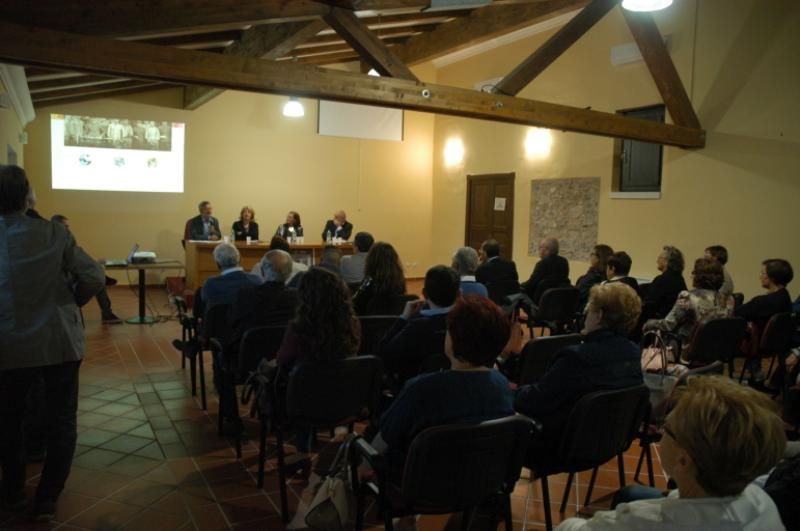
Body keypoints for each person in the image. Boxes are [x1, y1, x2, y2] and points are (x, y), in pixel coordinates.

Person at [0, 164, 105, 521]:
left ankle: (13, 490)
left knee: (9, 421)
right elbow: (93, 275)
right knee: (62, 420)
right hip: (58, 340)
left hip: (9, 344)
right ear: (25, 195)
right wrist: (73, 300)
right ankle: (47, 498)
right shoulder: (53, 234)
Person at [556, 376, 787, 531]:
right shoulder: (763, 503)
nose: (662, 431)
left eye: (667, 427)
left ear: (684, 460)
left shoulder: (642, 522)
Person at [376, 296, 514, 471]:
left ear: (453, 340)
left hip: (419, 486)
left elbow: (387, 435)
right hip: (481, 485)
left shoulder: (421, 388)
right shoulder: (502, 385)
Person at [515, 283, 643, 462]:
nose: (585, 313)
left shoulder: (577, 357)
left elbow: (536, 401)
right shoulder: (634, 353)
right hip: (607, 443)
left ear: (599, 316)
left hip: (559, 448)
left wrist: (512, 392)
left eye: (589, 309)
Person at [275, 267, 360, 452]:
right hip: (343, 394)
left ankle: (302, 450)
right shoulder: (352, 324)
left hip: (304, 399)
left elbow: (282, 360)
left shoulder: (298, 328)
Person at [378, 265, 460, 387]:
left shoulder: (416, 326)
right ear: (459, 294)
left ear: (424, 293)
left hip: (416, 393)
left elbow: (384, 356)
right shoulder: (466, 323)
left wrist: (403, 318)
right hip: (456, 390)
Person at [642, 258, 729, 356]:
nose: (692, 275)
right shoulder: (725, 300)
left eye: (694, 272)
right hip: (714, 351)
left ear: (698, 276)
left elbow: (668, 324)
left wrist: (648, 323)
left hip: (686, 350)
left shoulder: (687, 297)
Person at [51, 214, 122, 325]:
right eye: (65, 226)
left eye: (68, 226)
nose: (68, 229)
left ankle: (107, 313)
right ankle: (107, 312)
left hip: (73, 272)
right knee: (97, 279)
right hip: (64, 276)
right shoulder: (54, 241)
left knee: (98, 278)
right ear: (56, 226)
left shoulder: (64, 239)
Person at [735, 259, 793, 382]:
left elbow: (737, 312)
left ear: (772, 278)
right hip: (776, 344)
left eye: (763, 273)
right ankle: (755, 372)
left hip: (757, 345)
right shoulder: (785, 297)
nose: (760, 277)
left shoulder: (762, 301)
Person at [193, 242, 262, 318]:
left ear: (217, 263)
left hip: (217, 328)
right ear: (238, 259)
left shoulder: (211, 284)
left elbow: (202, 307)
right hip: (246, 328)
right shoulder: (256, 281)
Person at [352, 242, 408, 315]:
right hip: (394, 322)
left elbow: (355, 305)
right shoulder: (400, 282)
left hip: (369, 322)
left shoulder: (369, 282)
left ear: (371, 260)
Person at [641, 246, 687, 321]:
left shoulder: (661, 280)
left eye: (659, 258)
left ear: (667, 262)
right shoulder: (680, 279)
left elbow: (649, 306)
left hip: (658, 322)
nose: (657, 260)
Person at [521, 237, 570, 304]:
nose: (539, 251)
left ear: (546, 250)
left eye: (540, 247)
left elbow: (531, 284)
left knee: (517, 294)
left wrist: (520, 286)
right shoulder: (564, 262)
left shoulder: (542, 264)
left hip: (540, 301)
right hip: (557, 301)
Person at [475, 239, 519, 305]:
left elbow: (478, 289)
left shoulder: (482, 269)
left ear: (485, 253)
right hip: (510, 306)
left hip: (490, 307)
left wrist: (477, 266)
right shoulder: (511, 265)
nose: (479, 251)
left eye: (481, 249)